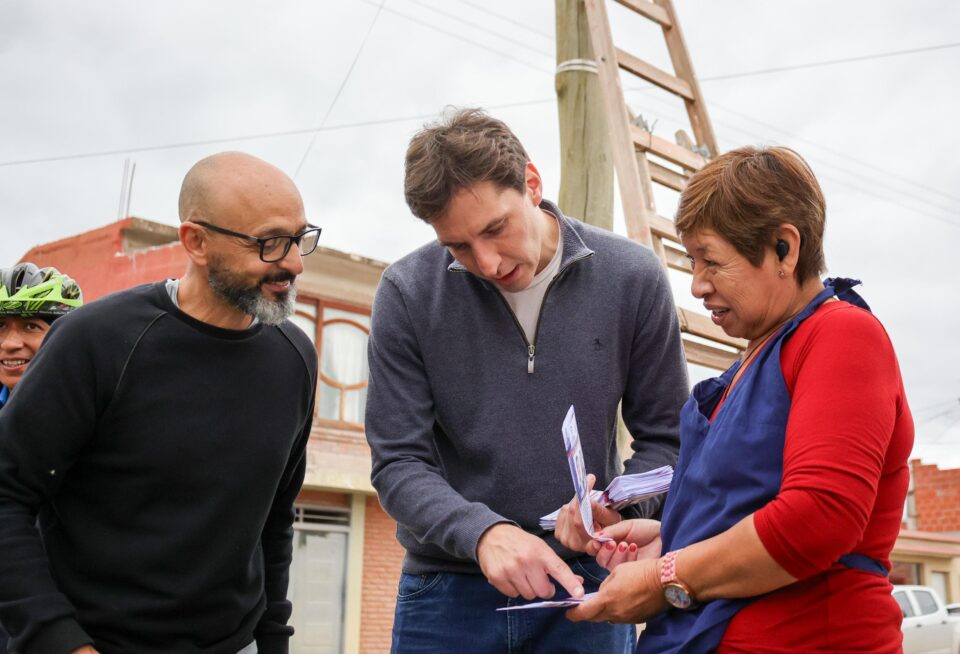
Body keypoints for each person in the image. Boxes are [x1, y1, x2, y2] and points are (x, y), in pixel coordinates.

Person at [557, 145, 913, 652]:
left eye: (712, 262)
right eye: (692, 262)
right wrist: (661, 540)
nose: (698, 285)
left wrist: (665, 575)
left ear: (784, 249)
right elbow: (740, 519)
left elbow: (818, 517)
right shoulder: (750, 362)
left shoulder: (841, 336)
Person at [364, 108, 689, 653]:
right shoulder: (405, 293)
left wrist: (622, 512)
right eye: (459, 247)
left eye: (495, 229)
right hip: (447, 591)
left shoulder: (633, 279)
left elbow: (668, 440)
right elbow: (398, 463)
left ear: (532, 184)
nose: (487, 262)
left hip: (586, 584)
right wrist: (482, 533)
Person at [0, 152, 321, 654]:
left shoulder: (295, 356)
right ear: (196, 241)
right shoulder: (94, 341)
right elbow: (6, 495)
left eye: (301, 238)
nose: (294, 263)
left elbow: (275, 519)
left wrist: (273, 641)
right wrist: (57, 640)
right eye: (270, 243)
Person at [0, 263, 83, 653]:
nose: (10, 343)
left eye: (31, 326)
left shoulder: (96, 414)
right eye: (0, 327)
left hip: (70, 624)